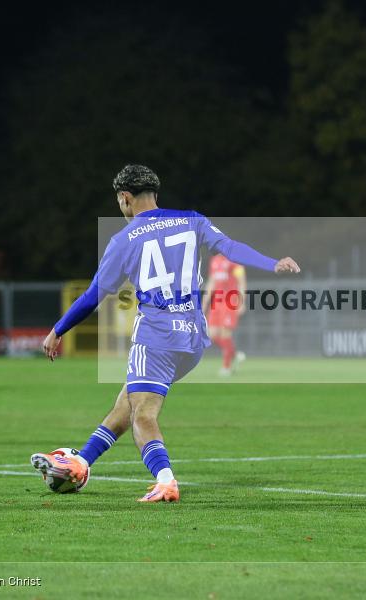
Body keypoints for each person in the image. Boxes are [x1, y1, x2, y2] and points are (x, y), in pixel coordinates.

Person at [30, 165, 300, 503]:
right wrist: (271, 262)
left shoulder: (124, 240)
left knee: (142, 412)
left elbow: (93, 296)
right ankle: (82, 461)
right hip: (193, 337)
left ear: (125, 198)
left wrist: (58, 330)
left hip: (156, 335)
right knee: (128, 401)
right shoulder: (192, 220)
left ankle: (166, 479)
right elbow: (230, 247)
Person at [202, 253, 247, 376]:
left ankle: (226, 367)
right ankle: (235, 354)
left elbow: (241, 281)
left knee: (225, 333)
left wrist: (242, 302)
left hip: (230, 301)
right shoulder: (214, 260)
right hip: (217, 302)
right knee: (211, 334)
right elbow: (212, 281)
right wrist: (205, 301)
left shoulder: (235, 260)